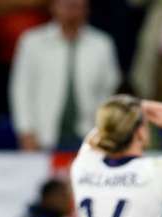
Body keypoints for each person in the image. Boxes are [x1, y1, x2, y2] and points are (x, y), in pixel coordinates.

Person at [9, 0, 120, 151]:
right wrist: (26, 130)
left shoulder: (102, 44)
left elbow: (110, 91)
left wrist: (105, 131)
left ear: (87, 9)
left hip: (89, 136)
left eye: (78, 6)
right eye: (68, 6)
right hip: (42, 135)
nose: (72, 12)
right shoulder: (32, 41)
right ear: (53, 7)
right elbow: (21, 89)